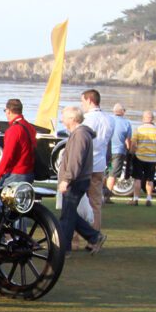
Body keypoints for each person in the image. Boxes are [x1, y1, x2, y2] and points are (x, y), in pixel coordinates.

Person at [56, 106, 106, 256]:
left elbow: (75, 160)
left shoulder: (79, 135)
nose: (62, 120)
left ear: (72, 119)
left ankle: (64, 249)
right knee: (69, 214)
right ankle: (93, 236)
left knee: (67, 216)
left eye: (64, 117)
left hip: (75, 181)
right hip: (80, 179)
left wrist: (66, 179)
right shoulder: (81, 134)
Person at [80, 89, 112, 242]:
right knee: (95, 203)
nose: (82, 104)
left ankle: (76, 238)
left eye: (83, 101)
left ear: (89, 100)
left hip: (86, 165)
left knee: (79, 201)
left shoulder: (87, 120)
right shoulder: (108, 119)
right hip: (100, 164)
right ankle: (95, 235)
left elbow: (83, 143)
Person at [0, 98, 36, 186]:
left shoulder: (14, 130)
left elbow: (7, 156)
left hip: (15, 173)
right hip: (28, 172)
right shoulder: (30, 127)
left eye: (5, 110)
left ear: (9, 111)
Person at [129, 110, 156, 206]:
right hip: (152, 158)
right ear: (152, 119)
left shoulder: (138, 129)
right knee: (150, 179)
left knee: (137, 179)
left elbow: (133, 143)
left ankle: (135, 199)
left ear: (143, 118)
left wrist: (132, 152)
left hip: (139, 157)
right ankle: (149, 198)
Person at [106, 103, 132, 197]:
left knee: (108, 171)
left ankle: (101, 193)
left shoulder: (108, 120)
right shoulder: (126, 123)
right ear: (122, 112)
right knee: (113, 174)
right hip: (118, 153)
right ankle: (106, 196)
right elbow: (128, 141)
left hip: (106, 152)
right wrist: (129, 151)